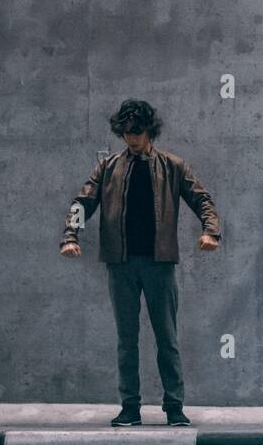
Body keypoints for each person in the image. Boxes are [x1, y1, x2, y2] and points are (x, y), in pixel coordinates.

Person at [60, 99, 221, 427]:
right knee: (126, 339)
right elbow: (83, 201)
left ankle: (174, 407)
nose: (132, 139)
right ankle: (129, 407)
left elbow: (201, 198)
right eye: (126, 133)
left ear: (150, 131)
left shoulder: (172, 166)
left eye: (138, 132)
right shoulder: (107, 169)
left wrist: (211, 231)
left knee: (167, 338)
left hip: (159, 264)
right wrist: (70, 236)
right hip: (121, 265)